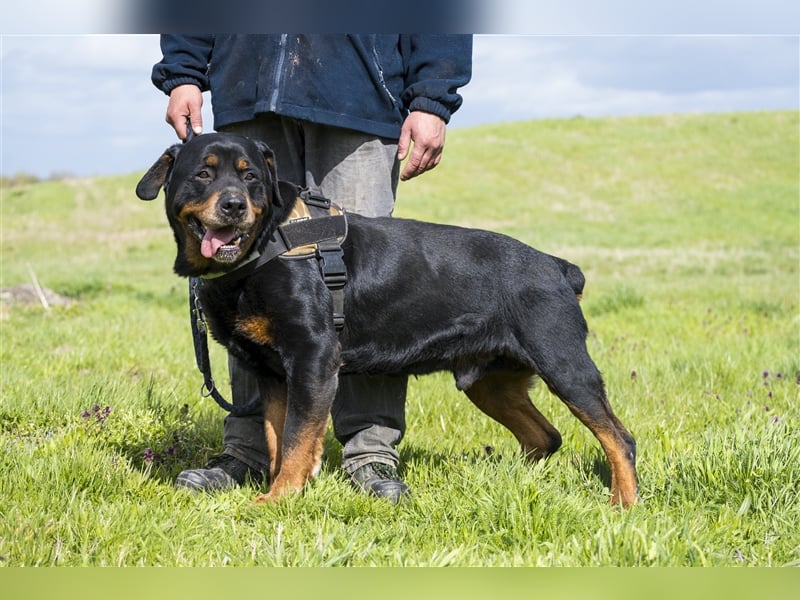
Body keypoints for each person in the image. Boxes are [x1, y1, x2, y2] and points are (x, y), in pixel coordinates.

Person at [150, 34, 472, 503]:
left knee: (365, 292)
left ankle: (370, 451)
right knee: (242, 292)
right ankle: (250, 452)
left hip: (359, 94)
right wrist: (183, 72)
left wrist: (432, 98)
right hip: (249, 89)